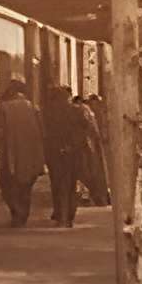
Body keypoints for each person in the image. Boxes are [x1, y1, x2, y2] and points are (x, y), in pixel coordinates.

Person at [0, 80, 45, 229]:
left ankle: (17, 213)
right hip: (30, 155)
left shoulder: (3, 108)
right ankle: (22, 214)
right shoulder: (32, 107)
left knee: (9, 185)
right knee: (25, 187)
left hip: (10, 155)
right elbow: (41, 132)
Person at [40, 84, 96, 228]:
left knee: (58, 184)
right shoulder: (75, 111)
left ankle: (61, 215)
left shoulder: (48, 113)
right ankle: (69, 216)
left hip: (55, 153)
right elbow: (86, 128)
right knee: (71, 184)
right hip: (73, 152)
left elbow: (44, 133)